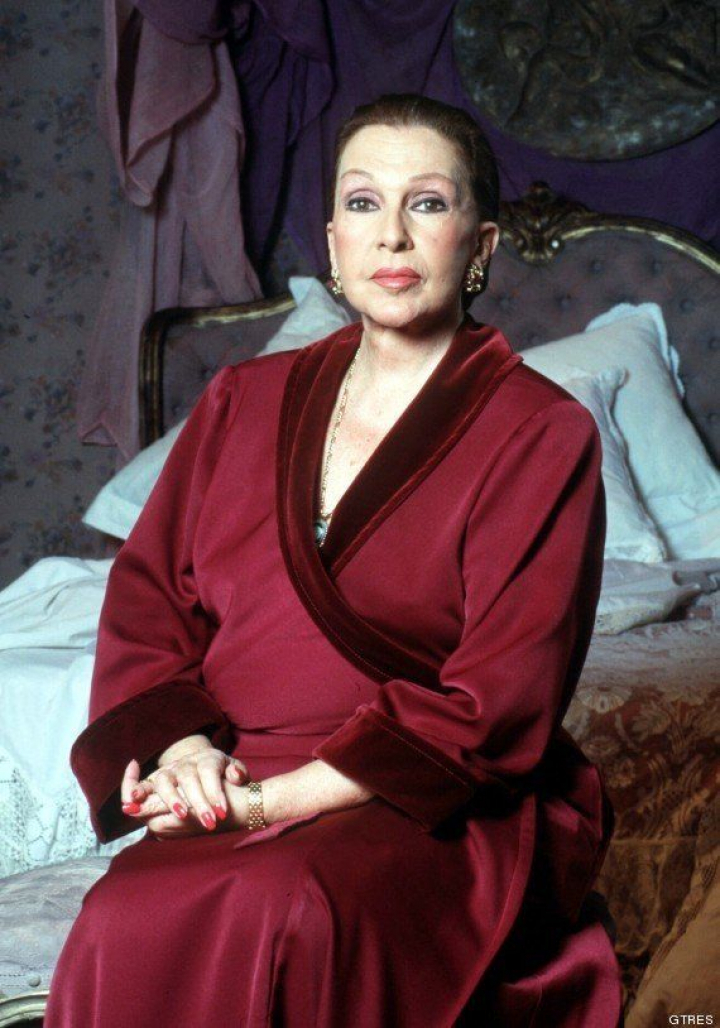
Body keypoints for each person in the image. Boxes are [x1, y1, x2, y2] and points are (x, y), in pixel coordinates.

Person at [45, 93, 623, 1027]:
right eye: (363, 202)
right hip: (235, 769)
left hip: (419, 790)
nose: (391, 234)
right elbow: (150, 602)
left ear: (480, 247)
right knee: (117, 919)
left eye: (426, 203)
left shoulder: (543, 432)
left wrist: (268, 806)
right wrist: (188, 755)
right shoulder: (242, 398)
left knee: (291, 909)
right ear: (332, 241)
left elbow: (497, 698)